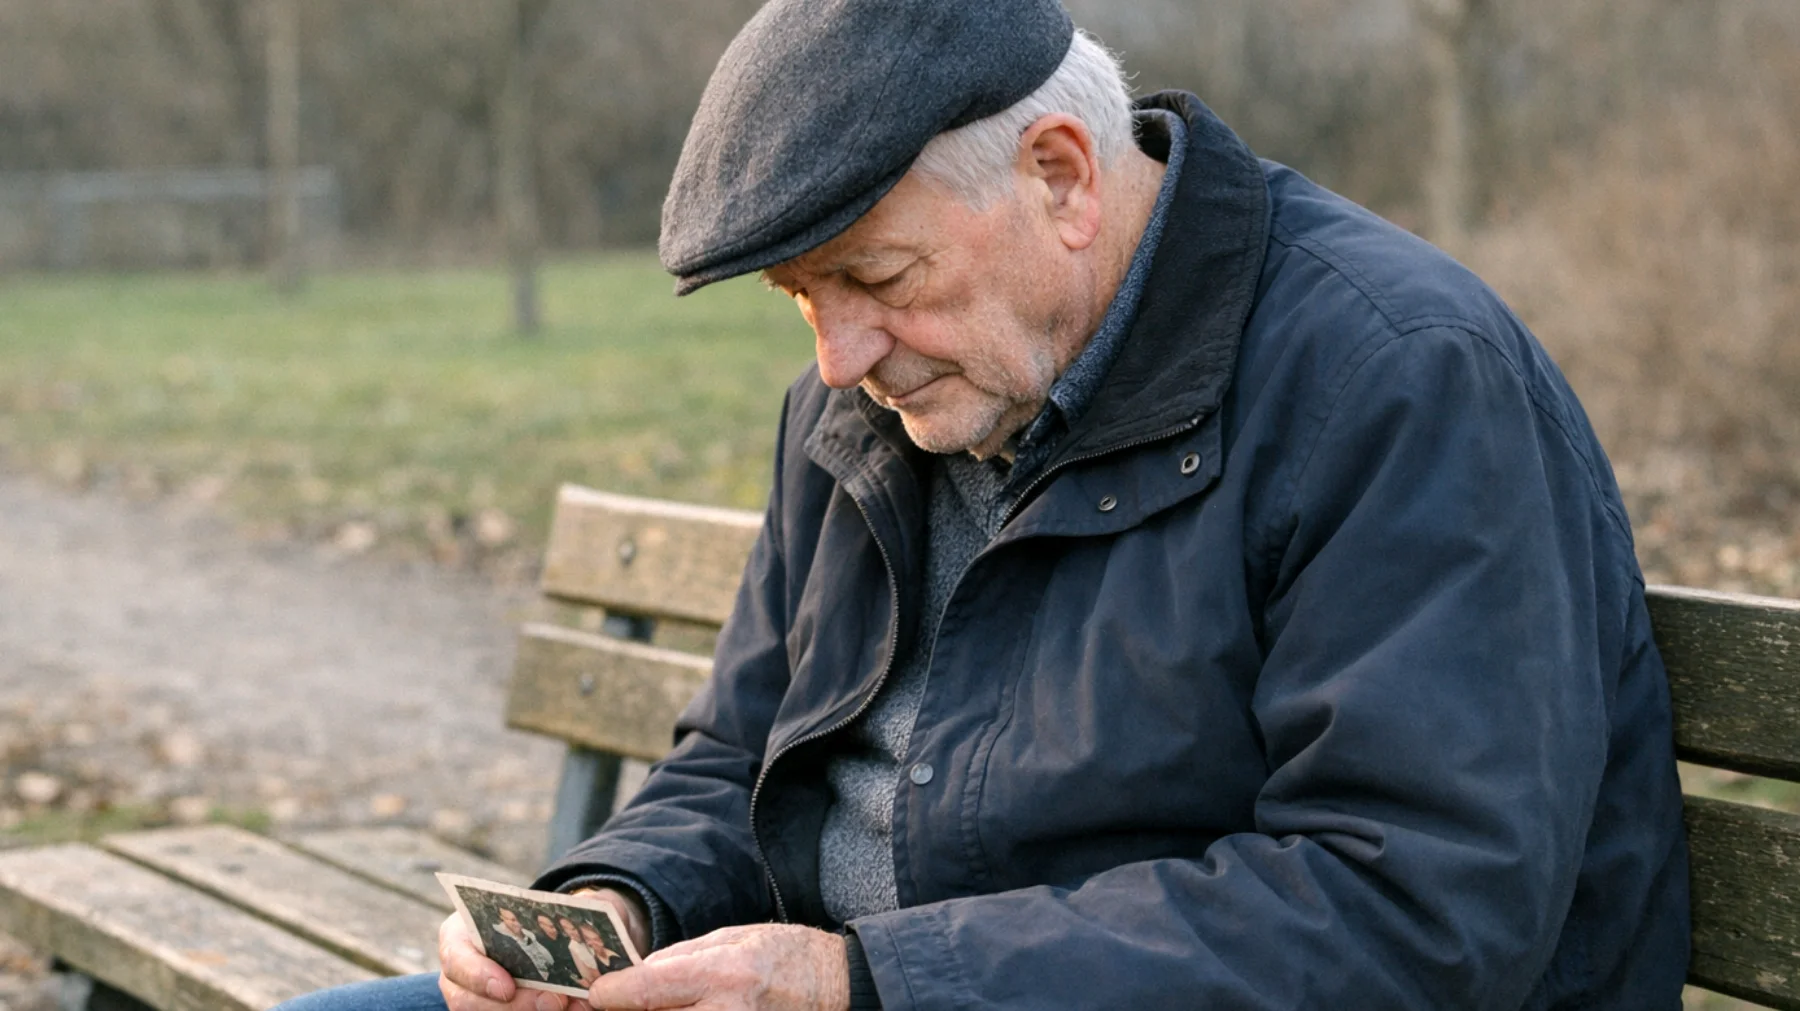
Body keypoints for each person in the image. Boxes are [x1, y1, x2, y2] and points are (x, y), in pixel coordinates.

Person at [276, 0, 1691, 1008]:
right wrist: (614, 900)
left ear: (1061, 177)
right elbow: (737, 758)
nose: (837, 356)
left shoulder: (1394, 380)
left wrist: (872, 979)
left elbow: (1414, 914)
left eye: (879, 280)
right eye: (801, 298)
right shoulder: (869, 402)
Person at [488, 908, 554, 984]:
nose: (517, 923)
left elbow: (548, 959)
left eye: (517, 920)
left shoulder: (530, 934)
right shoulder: (500, 940)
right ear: (501, 918)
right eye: (512, 920)